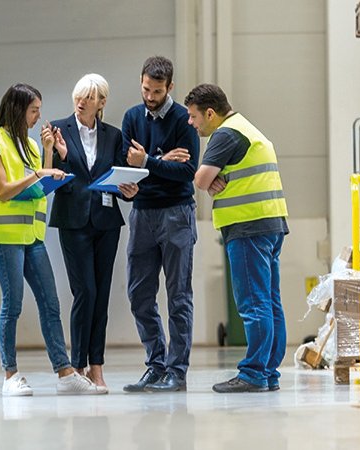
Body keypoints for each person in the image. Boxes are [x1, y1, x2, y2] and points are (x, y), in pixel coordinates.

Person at [0, 83, 106, 396]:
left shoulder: (30, 144)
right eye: (34, 110)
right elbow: (3, 190)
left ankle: (65, 373)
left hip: (34, 236)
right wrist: (39, 175)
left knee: (51, 303)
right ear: (18, 109)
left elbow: (40, 183)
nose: (39, 116)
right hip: (7, 236)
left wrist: (48, 153)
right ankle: (10, 375)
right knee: (12, 306)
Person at [185, 83, 289, 393]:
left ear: (211, 113)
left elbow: (201, 179)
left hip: (247, 228)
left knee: (253, 303)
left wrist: (208, 178)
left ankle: (253, 374)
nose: (191, 123)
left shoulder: (225, 134)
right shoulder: (248, 128)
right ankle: (268, 372)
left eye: (194, 117)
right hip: (271, 223)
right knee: (270, 302)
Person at [47, 74, 139, 389]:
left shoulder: (114, 136)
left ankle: (96, 367)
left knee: (100, 295)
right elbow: (51, 172)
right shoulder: (58, 129)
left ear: (101, 102)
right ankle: (77, 365)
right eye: (78, 95)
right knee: (84, 291)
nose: (81, 101)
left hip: (106, 220)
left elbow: (120, 177)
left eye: (89, 97)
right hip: (73, 219)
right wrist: (57, 153)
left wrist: (130, 190)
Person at [120, 56, 200, 393]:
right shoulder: (132, 117)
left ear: (170, 87)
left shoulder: (184, 119)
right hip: (141, 213)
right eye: (145, 89)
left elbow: (188, 172)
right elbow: (127, 165)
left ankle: (176, 371)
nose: (149, 96)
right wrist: (142, 174)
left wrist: (148, 162)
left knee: (178, 295)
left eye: (156, 91)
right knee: (139, 294)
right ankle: (155, 365)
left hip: (176, 213)